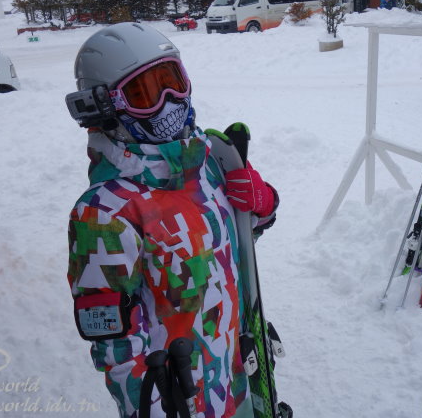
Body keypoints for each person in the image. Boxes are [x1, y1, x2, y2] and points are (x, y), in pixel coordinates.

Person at [65, 23, 278, 418]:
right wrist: (153, 408)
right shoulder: (105, 213)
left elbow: (234, 241)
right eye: (144, 93)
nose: (169, 101)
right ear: (106, 106)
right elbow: (115, 346)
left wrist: (262, 203)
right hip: (182, 400)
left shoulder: (207, 161)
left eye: (172, 81)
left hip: (236, 381)